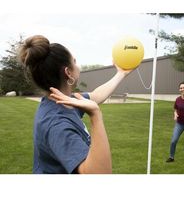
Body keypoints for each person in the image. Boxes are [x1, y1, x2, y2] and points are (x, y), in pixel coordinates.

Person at [19, 35, 132, 174]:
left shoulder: (63, 101)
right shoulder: (56, 123)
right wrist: (95, 116)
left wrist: (121, 73)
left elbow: (96, 96)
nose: (77, 66)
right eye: (74, 61)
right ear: (68, 72)